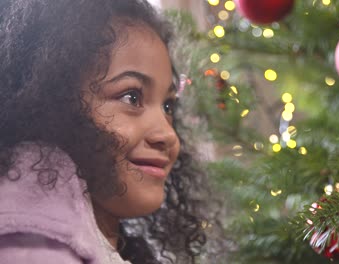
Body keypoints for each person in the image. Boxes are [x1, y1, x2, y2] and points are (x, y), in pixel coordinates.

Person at [0, 0, 213, 263]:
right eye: (131, 97)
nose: (168, 135)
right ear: (50, 103)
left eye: (168, 106)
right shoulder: (31, 245)